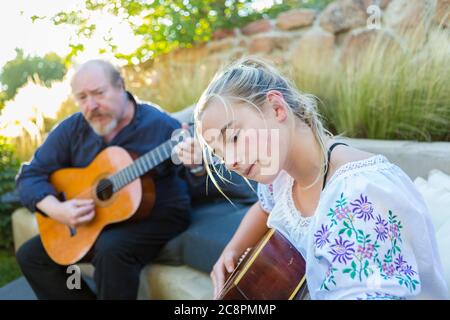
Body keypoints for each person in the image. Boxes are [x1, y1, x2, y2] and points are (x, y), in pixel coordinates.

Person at [193, 57, 449, 300]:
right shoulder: (280, 181)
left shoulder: (360, 195)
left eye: (234, 137)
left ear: (277, 107)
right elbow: (263, 208)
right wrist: (234, 248)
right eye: (218, 153)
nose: (230, 162)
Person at [15, 59, 198, 299]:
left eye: (98, 93)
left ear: (121, 86)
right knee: (31, 256)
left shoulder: (161, 126)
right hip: (97, 219)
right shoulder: (73, 129)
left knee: (111, 249)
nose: (91, 105)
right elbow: (29, 175)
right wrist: (58, 210)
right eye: (82, 98)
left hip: (156, 214)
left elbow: (196, 181)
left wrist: (196, 165)